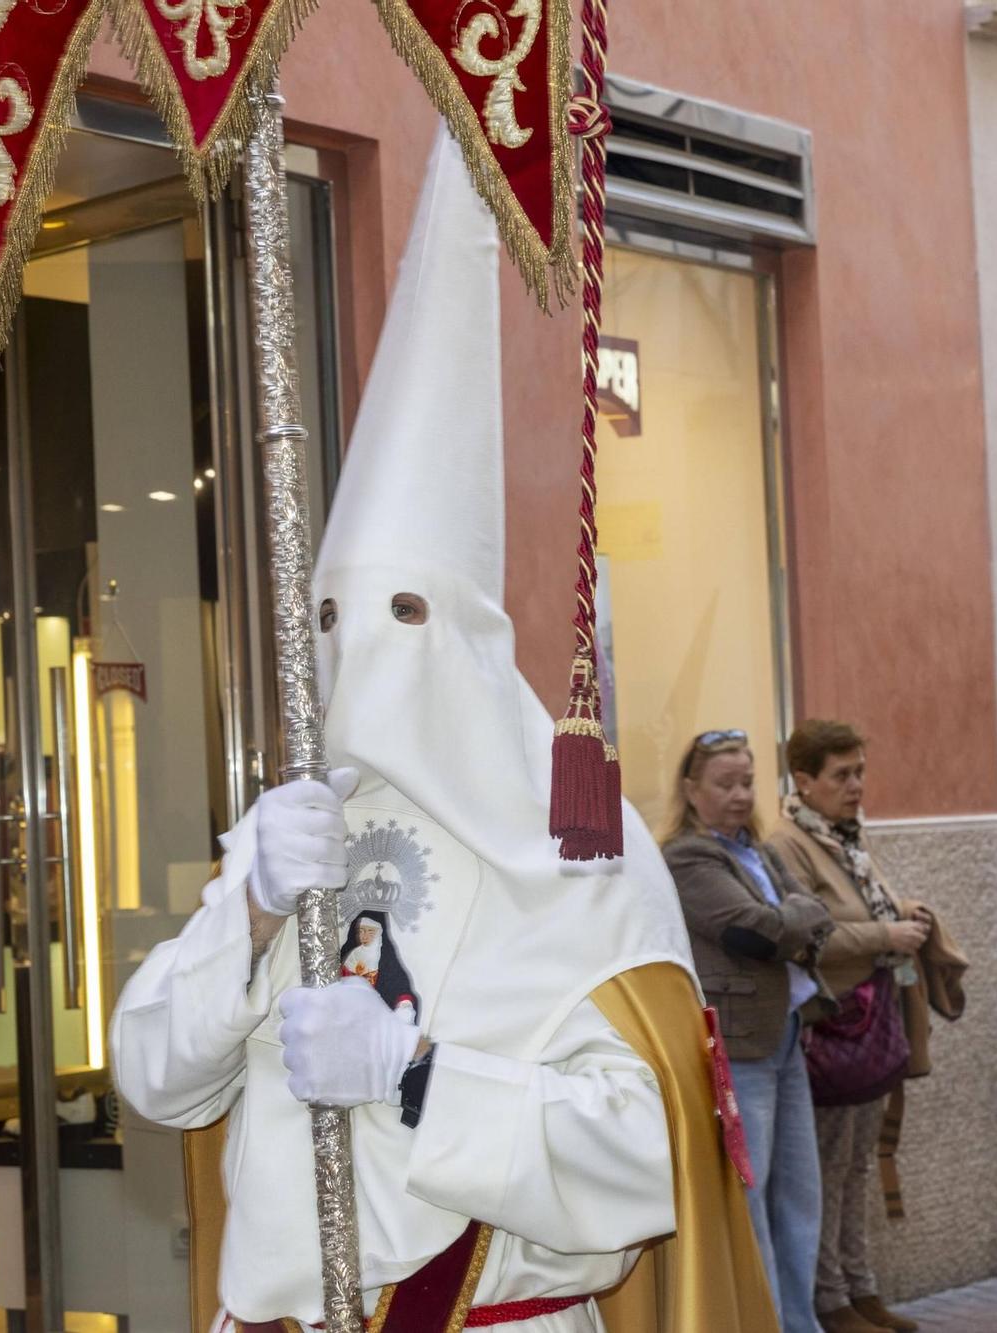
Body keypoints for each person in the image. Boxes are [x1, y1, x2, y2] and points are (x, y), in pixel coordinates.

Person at [111, 129, 778, 1333]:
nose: (361, 648)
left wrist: (416, 1082)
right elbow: (154, 1076)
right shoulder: (296, 837)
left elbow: (641, 1158)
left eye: (401, 615)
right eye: (330, 618)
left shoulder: (579, 853)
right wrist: (251, 910)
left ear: (468, 635)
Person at [768, 721, 940, 1333]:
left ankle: (860, 1288)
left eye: (860, 771)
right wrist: (884, 935)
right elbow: (809, 933)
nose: (856, 785)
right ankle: (829, 1299)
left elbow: (862, 905)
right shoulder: (787, 844)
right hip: (833, 1026)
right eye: (842, 775)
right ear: (804, 781)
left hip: (873, 1018)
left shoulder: (844, 836)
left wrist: (903, 914)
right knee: (823, 1169)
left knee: (859, 1164)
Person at [662, 731, 835, 1333]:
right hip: (741, 1045)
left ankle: (801, 1321)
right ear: (691, 789)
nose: (740, 796)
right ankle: (767, 1323)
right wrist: (797, 918)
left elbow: (816, 915)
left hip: (785, 1032)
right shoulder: (687, 856)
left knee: (800, 1193)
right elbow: (754, 931)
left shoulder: (760, 849)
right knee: (754, 1193)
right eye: (725, 784)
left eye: (747, 783)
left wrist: (795, 918)